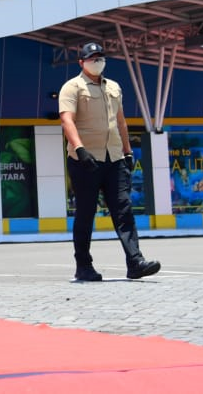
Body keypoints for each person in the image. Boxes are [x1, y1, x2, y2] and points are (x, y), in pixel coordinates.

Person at [59, 41, 161, 282]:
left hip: (114, 158)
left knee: (124, 209)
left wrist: (128, 151)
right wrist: (80, 149)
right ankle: (83, 266)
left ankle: (135, 262)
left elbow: (121, 121)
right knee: (85, 213)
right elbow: (67, 121)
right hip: (85, 159)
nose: (97, 61)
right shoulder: (71, 87)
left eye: (100, 57)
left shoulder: (114, 87)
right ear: (81, 62)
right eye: (92, 58)